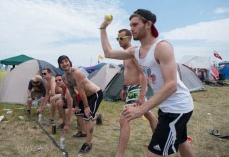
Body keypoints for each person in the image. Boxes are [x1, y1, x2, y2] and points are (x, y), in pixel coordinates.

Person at [100, 9, 195, 157]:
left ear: (148, 24)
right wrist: (103, 28)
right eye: (130, 25)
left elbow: (171, 85)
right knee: (181, 142)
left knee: (152, 154)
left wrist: (141, 108)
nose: (132, 28)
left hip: (177, 108)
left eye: (135, 24)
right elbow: (108, 53)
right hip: (166, 107)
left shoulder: (162, 47)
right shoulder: (135, 51)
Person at [115, 28, 158, 157]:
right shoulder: (126, 54)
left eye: (121, 38)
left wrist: (141, 95)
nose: (119, 41)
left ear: (129, 38)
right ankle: (157, 142)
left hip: (136, 89)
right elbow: (127, 72)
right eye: (117, 39)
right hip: (130, 89)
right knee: (149, 115)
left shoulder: (134, 53)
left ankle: (120, 154)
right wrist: (123, 88)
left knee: (124, 119)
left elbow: (144, 73)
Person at [58, 55, 103, 153]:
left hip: (95, 94)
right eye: (62, 62)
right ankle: (91, 123)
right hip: (86, 97)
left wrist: (86, 106)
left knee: (88, 117)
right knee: (80, 114)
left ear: (70, 62)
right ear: (60, 65)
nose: (64, 64)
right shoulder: (64, 77)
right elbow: (72, 91)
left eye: (66, 61)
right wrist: (77, 105)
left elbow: (81, 91)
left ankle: (88, 144)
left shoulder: (77, 73)